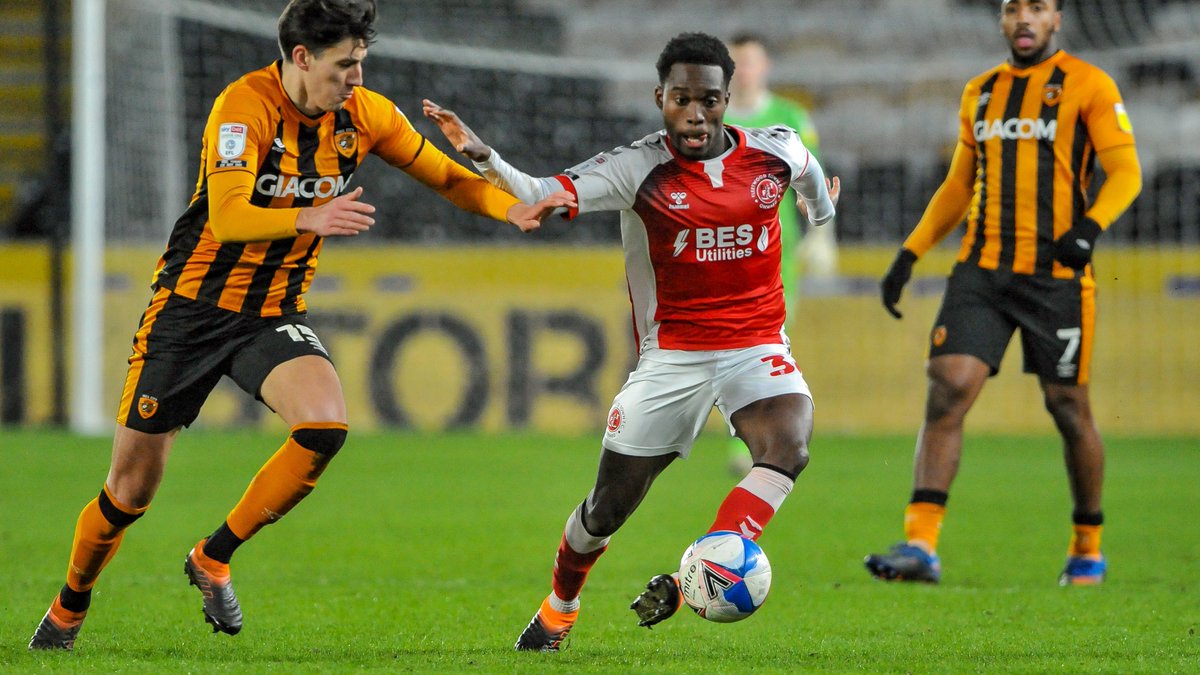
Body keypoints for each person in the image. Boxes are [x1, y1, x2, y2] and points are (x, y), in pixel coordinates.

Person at [28, 0, 572, 651]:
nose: (357, 78)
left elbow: (447, 178)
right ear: (303, 58)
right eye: (346, 65)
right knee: (130, 489)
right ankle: (68, 604)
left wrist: (509, 209)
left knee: (324, 425)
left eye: (362, 63)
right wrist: (305, 219)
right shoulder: (243, 107)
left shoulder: (365, 115)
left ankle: (213, 555)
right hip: (190, 313)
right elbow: (228, 217)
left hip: (272, 313)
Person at [424, 31, 839, 652]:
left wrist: (822, 213)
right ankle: (560, 605)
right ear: (660, 98)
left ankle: (699, 568)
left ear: (728, 99)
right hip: (673, 358)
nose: (694, 114)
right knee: (606, 510)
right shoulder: (634, 168)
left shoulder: (776, 151)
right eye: (680, 99)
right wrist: (485, 156)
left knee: (791, 445)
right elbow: (539, 192)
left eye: (709, 100)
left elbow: (812, 182)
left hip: (756, 343)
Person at [865, 0, 1141, 586]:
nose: (1023, 17)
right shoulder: (981, 93)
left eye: (1037, 7)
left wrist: (1088, 230)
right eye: (1013, 7)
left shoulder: (1088, 84)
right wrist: (910, 252)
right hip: (982, 272)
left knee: (1068, 408)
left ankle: (1087, 546)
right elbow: (959, 184)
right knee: (948, 388)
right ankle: (921, 545)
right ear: (1002, 17)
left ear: (1056, 18)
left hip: (1056, 277)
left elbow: (1126, 172)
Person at [724, 31, 838, 475]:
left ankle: (751, 444)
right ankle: (744, 440)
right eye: (736, 62)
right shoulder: (709, 119)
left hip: (773, 253)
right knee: (725, 345)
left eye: (750, 61)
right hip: (717, 250)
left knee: (764, 346)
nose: (744, 70)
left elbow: (813, 182)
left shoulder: (791, 117)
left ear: (765, 66)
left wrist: (822, 237)